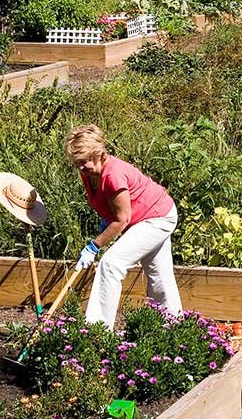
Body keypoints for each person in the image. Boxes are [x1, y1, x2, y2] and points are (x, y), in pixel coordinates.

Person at [67, 124, 182, 327]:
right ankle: (174, 329)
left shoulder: (113, 174)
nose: (81, 166)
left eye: (84, 161)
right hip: (145, 218)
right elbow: (112, 208)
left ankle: (97, 332)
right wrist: (106, 218)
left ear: (98, 153)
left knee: (111, 265)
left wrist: (94, 246)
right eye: (77, 162)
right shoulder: (89, 174)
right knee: (159, 277)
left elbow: (122, 219)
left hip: (157, 218)